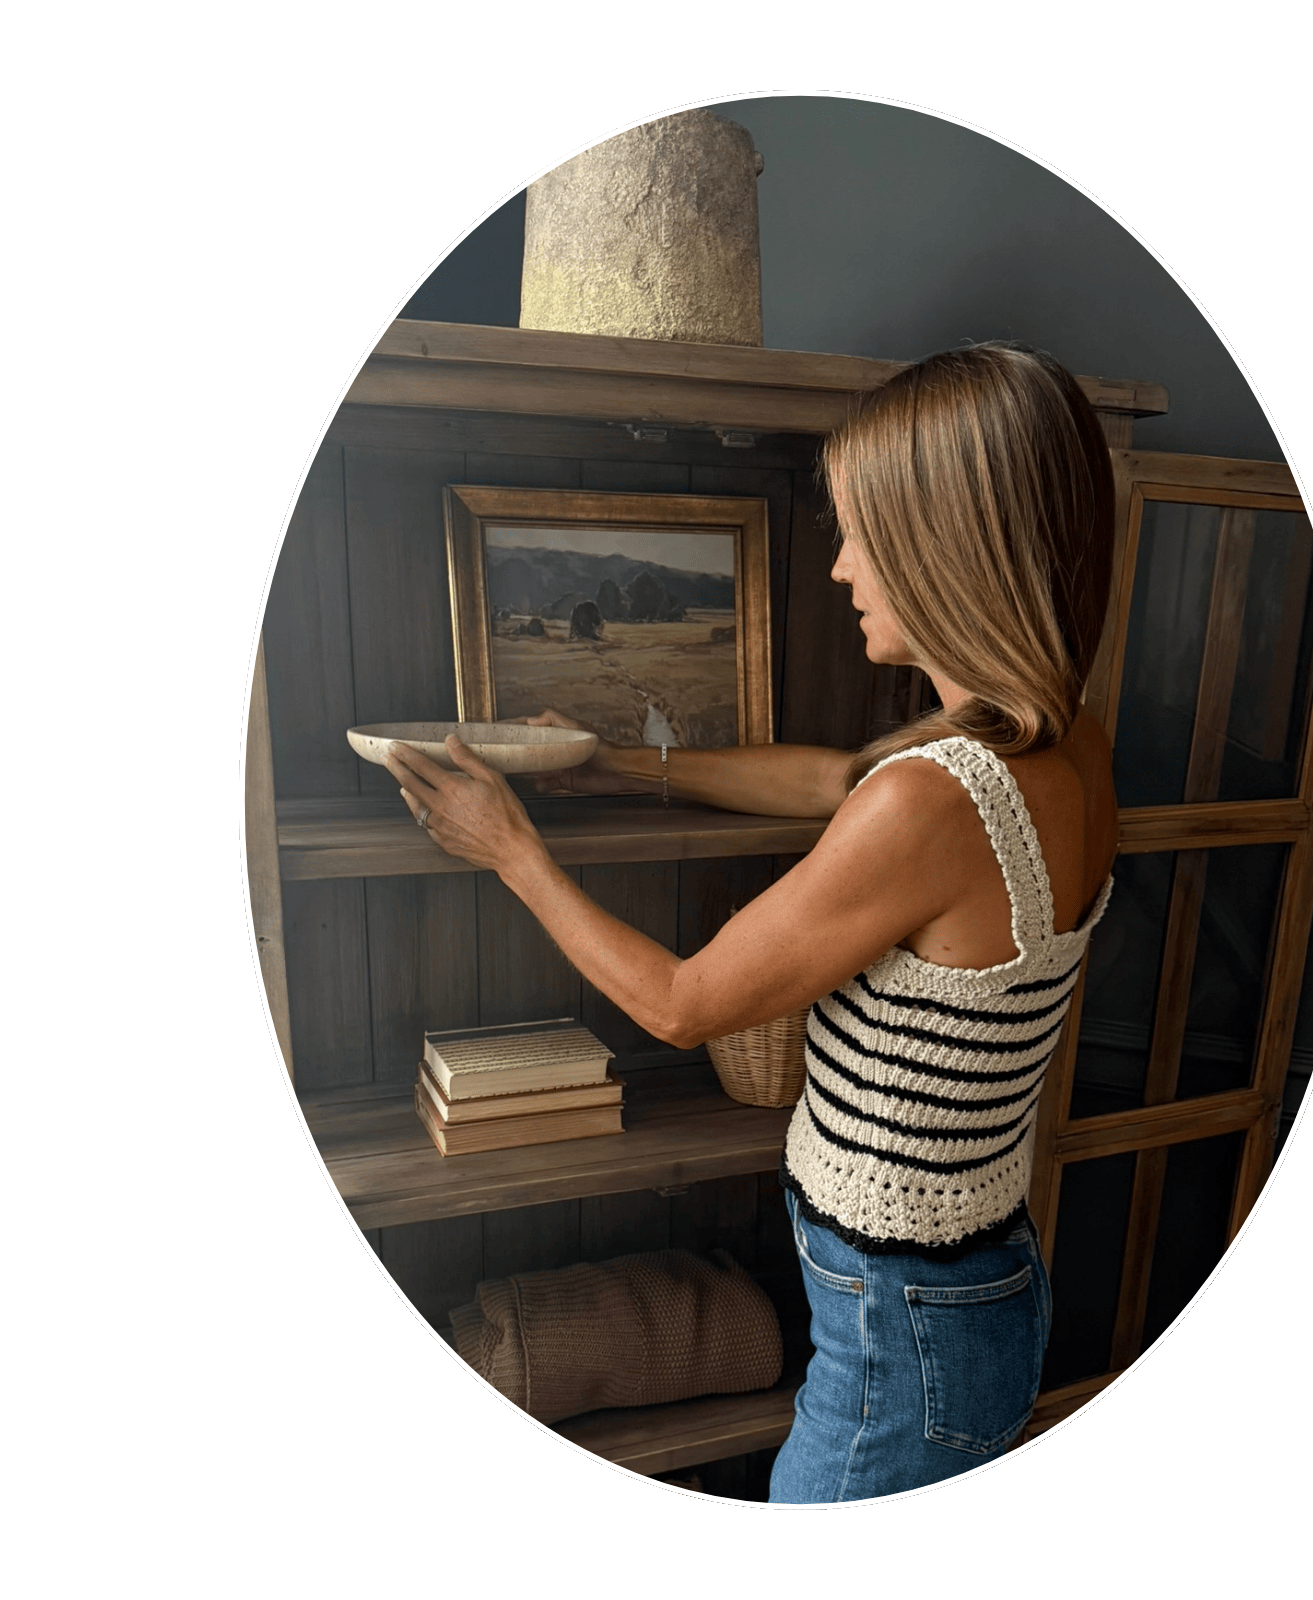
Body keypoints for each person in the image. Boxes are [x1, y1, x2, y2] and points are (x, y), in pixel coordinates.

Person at [383, 343, 1119, 1503]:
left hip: (898, 1329)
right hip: (977, 1283)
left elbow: (680, 1005)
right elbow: (834, 779)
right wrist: (618, 766)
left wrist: (510, 848)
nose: (838, 567)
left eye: (861, 534)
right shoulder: (1065, 741)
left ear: (943, 547)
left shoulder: (931, 801)